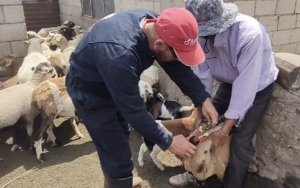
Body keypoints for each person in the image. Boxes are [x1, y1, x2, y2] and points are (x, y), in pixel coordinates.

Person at [65, 7, 219, 188]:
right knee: (113, 148)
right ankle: (119, 181)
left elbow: (176, 67)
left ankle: (121, 179)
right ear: (160, 45)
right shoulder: (120, 54)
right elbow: (134, 112)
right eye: (177, 54)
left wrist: (203, 99)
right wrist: (168, 141)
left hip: (116, 78)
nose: (178, 59)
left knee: (122, 133)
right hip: (91, 91)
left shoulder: (156, 23)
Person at [169, 0, 279, 188]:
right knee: (200, 130)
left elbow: (245, 88)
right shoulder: (200, 36)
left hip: (256, 86)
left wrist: (224, 130)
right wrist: (201, 108)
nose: (203, 37)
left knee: (240, 142)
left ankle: (231, 184)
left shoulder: (250, 34)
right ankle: (197, 174)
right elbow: (203, 74)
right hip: (228, 82)